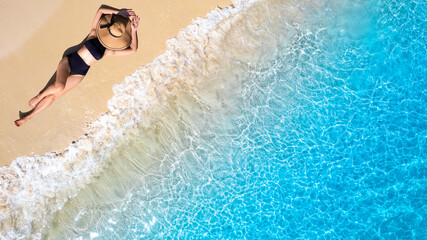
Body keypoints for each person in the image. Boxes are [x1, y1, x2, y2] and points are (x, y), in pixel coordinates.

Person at [14, 6, 140, 127]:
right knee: (59, 86)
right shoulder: (94, 33)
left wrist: (134, 31)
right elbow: (101, 10)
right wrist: (118, 13)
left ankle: (27, 117)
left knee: (53, 97)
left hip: (80, 73)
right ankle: (39, 96)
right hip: (69, 61)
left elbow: (133, 50)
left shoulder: (108, 51)